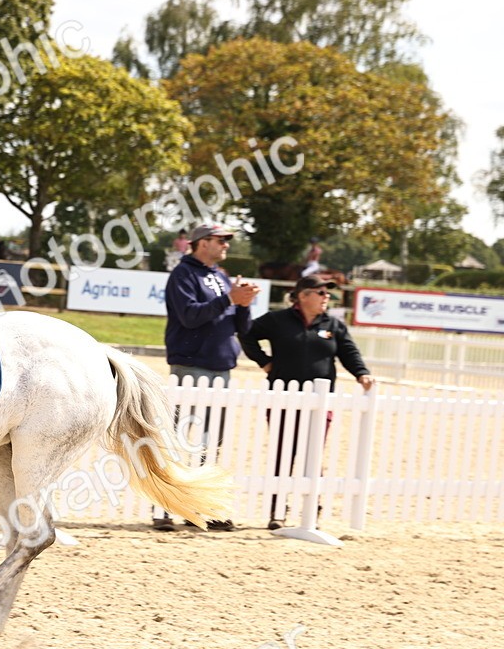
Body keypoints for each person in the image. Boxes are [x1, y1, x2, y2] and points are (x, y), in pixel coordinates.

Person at [239, 274, 375, 529]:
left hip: (320, 402)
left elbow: (349, 352)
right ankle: (278, 511)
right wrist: (264, 362)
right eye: (321, 292)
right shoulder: (277, 320)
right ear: (302, 296)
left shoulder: (333, 325)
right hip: (283, 398)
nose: (327, 297)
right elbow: (247, 334)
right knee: (283, 454)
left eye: (328, 293)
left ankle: (312, 509)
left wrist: (361, 373)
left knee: (313, 454)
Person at [155, 223, 260, 532]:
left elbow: (240, 326)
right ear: (202, 243)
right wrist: (229, 299)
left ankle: (201, 509)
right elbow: (190, 316)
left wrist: (243, 304)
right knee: (178, 440)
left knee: (210, 442)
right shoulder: (183, 274)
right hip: (191, 366)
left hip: (221, 366)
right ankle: (164, 507)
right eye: (221, 240)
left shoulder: (221, 276)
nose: (226, 244)